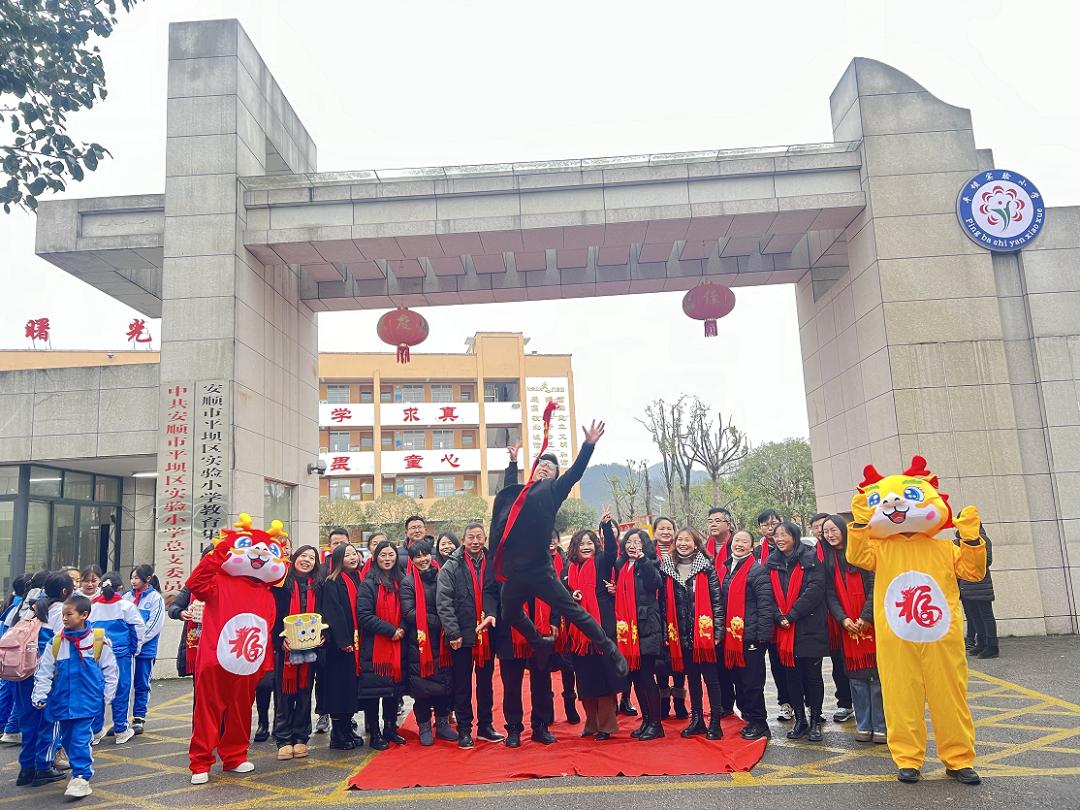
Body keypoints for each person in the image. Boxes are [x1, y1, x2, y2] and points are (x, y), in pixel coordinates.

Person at [491, 422, 628, 682]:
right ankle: (539, 642)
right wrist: (512, 463)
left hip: (539, 570)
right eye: (541, 464)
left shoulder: (553, 491)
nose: (544, 467)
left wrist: (588, 446)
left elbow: (575, 473)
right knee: (509, 612)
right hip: (515, 572)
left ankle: (609, 648)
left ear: (555, 476)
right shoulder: (521, 493)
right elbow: (508, 498)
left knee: (573, 611)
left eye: (550, 467)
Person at [31, 593, 118, 800]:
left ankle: (81, 776)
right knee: (67, 739)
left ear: (84, 615)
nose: (64, 618)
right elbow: (44, 671)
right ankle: (79, 767)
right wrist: (40, 694)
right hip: (62, 702)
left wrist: (107, 697)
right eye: (63, 614)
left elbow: (110, 670)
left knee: (79, 739)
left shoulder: (98, 640)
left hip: (87, 702)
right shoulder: (57, 642)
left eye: (69, 614)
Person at [436, 522, 503, 748]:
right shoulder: (451, 566)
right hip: (461, 634)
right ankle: (464, 730)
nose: (475, 541)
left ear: (485, 539)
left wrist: (492, 614)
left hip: (487, 632)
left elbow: (495, 593)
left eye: (479, 537)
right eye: (471, 537)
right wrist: (453, 632)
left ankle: (486, 726)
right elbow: (444, 602)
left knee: (485, 683)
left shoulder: (492, 563)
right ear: (463, 540)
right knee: (462, 684)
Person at [821, 515, 884, 744]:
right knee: (856, 679)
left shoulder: (862, 554)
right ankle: (864, 724)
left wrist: (866, 617)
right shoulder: (828, 560)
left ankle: (881, 725)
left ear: (844, 530)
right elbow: (830, 594)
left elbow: (876, 587)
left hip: (871, 624)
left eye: (833, 530)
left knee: (876, 678)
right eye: (826, 531)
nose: (830, 535)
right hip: (847, 626)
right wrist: (843, 619)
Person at [659, 528, 725, 740]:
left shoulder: (706, 567)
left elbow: (717, 601)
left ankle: (715, 722)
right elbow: (663, 604)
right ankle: (697, 720)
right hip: (680, 635)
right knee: (693, 679)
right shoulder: (667, 568)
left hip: (703, 634)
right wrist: (666, 633)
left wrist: (718, 631)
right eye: (680, 539)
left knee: (711, 679)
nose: (683, 543)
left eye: (687, 540)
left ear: (696, 544)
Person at [767, 521, 827, 743]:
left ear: (795, 536)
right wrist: (778, 616)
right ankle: (800, 720)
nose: (780, 539)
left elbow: (815, 591)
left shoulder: (810, 558)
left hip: (808, 626)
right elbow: (767, 593)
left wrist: (790, 616)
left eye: (784, 535)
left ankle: (815, 722)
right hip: (784, 630)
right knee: (791, 677)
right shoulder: (771, 563)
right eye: (777, 535)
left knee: (812, 676)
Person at [605, 523, 665, 741]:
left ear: (645, 546)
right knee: (637, 677)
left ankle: (656, 724)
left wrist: (642, 560)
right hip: (627, 630)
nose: (632, 545)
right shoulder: (622, 566)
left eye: (637, 542)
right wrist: (615, 590)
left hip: (646, 627)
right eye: (629, 542)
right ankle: (646, 720)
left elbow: (654, 584)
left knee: (647, 677)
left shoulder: (650, 563)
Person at [563, 525, 623, 740]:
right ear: (575, 547)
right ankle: (591, 723)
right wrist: (572, 594)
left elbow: (612, 551)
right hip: (579, 633)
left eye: (590, 543)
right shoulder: (569, 569)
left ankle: (606, 726)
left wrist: (606, 527)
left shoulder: (602, 562)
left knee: (604, 677)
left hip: (602, 629)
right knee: (585, 678)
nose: (586, 547)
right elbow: (562, 592)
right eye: (582, 544)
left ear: (596, 545)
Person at [719, 530, 774, 740]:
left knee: (752, 682)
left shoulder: (757, 571)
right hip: (732, 636)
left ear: (752, 547)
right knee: (740, 681)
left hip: (751, 637)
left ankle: (760, 723)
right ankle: (749, 718)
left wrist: (762, 637)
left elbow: (765, 605)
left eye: (744, 542)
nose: (739, 544)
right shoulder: (728, 567)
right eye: (736, 541)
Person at [401, 540, 456, 746]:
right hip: (419, 641)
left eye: (425, 554)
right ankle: (424, 726)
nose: (422, 559)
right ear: (412, 560)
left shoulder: (442, 575)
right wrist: (440, 621)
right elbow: (409, 613)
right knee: (422, 688)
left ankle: (442, 724)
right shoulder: (408, 582)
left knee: (443, 684)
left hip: (442, 640)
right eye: (417, 556)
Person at [356, 541, 408, 751]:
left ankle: (390, 728)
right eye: (383, 555)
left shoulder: (402, 581)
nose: (387, 559)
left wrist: (402, 628)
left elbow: (408, 608)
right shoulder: (368, 584)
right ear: (375, 558)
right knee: (374, 692)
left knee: (393, 691)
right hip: (375, 646)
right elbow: (364, 615)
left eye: (391, 555)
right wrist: (390, 630)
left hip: (398, 645)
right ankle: (375, 733)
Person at [496, 577, 557, 748]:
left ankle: (541, 726)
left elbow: (555, 592)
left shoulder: (543, 566)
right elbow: (490, 594)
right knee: (511, 685)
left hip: (540, 631)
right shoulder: (500, 568)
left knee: (542, 683)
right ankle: (513, 728)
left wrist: (554, 621)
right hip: (510, 633)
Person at [272, 545, 321, 761]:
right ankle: (283, 739)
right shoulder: (281, 585)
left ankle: (301, 737)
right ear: (294, 558)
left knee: (304, 694)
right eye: (303, 556)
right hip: (285, 650)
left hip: (310, 648)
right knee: (284, 695)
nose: (307, 560)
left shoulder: (318, 586)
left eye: (311, 558)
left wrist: (323, 636)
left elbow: (324, 615)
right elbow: (272, 614)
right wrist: (279, 640)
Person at [89, 571, 145, 745]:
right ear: (120, 588)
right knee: (122, 691)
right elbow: (138, 629)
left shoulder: (92, 606)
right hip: (121, 655)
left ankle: (95, 731)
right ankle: (121, 730)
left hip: (97, 655)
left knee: (97, 691)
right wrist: (135, 650)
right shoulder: (126, 606)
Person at [316, 542, 363, 751]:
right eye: (347, 555)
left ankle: (347, 728)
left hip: (355, 644)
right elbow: (333, 613)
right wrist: (343, 641)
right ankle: (337, 734)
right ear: (338, 560)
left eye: (354, 554)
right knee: (338, 689)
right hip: (339, 647)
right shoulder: (332, 582)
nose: (352, 558)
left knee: (350, 689)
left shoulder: (357, 579)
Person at [649, 516, 688, 722]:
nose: (665, 532)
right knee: (661, 660)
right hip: (655, 610)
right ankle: (663, 699)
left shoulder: (682, 551)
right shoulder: (648, 552)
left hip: (677, 609)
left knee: (678, 657)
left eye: (669, 528)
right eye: (661, 529)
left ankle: (679, 700)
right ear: (654, 532)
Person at [313, 527, 351, 736]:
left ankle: (345, 717)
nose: (339, 546)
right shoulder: (321, 570)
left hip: (345, 635)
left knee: (342, 680)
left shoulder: (351, 569)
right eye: (335, 543)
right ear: (330, 546)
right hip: (325, 632)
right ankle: (323, 713)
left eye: (343, 543)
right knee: (323, 676)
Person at [756, 509, 791, 722]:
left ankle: (804, 703)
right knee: (776, 663)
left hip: (789, 614)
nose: (770, 528)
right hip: (766, 616)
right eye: (765, 525)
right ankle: (785, 703)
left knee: (795, 662)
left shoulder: (790, 549)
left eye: (774, 523)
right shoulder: (755, 553)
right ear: (759, 528)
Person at [124, 564, 163, 736]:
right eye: (132, 578)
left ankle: (139, 717)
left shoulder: (156, 599)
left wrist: (137, 642)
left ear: (147, 579)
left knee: (141, 684)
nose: (133, 581)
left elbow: (153, 626)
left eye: (136, 578)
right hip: (126, 651)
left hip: (145, 651)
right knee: (124, 686)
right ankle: (121, 721)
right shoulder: (126, 597)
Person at [548, 530, 580, 724]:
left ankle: (570, 704)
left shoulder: (568, 562)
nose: (550, 542)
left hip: (566, 621)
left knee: (568, 666)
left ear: (558, 540)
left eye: (553, 538)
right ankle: (547, 709)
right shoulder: (537, 563)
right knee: (544, 666)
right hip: (544, 620)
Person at [959, 526, 998, 659]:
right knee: (974, 616)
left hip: (981, 584)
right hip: (966, 584)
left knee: (986, 616)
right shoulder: (959, 541)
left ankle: (992, 646)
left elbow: (987, 561)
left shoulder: (983, 539)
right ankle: (981, 643)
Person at [0, 574, 29, 745]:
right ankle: (10, 727)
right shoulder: (23, 608)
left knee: (9, 689)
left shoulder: (13, 605)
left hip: (8, 656)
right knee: (18, 693)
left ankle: (8, 727)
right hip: (16, 657)